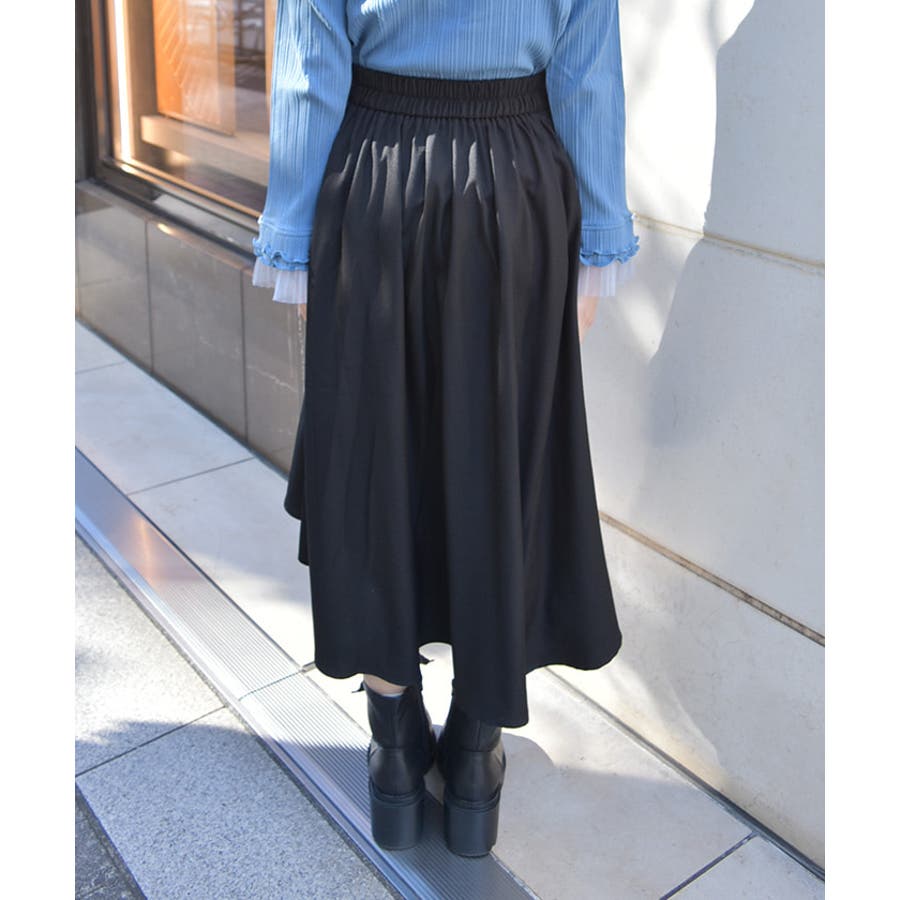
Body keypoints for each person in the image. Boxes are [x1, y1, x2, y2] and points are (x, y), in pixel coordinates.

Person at [252, 0, 640, 857]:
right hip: (518, 185)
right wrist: (598, 241)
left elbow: (312, 71)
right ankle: (473, 750)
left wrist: (293, 239)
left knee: (371, 467)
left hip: (374, 182)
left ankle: (395, 754)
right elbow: (587, 75)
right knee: (501, 463)